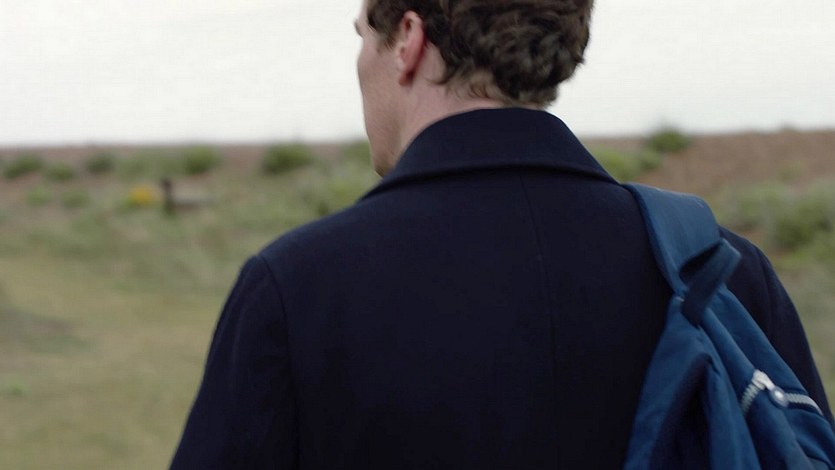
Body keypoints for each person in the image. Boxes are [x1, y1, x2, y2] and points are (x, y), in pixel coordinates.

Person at [171, 0, 833, 468]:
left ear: (407, 41)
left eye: (363, 34)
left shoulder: (299, 289)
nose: (360, 60)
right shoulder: (722, 274)